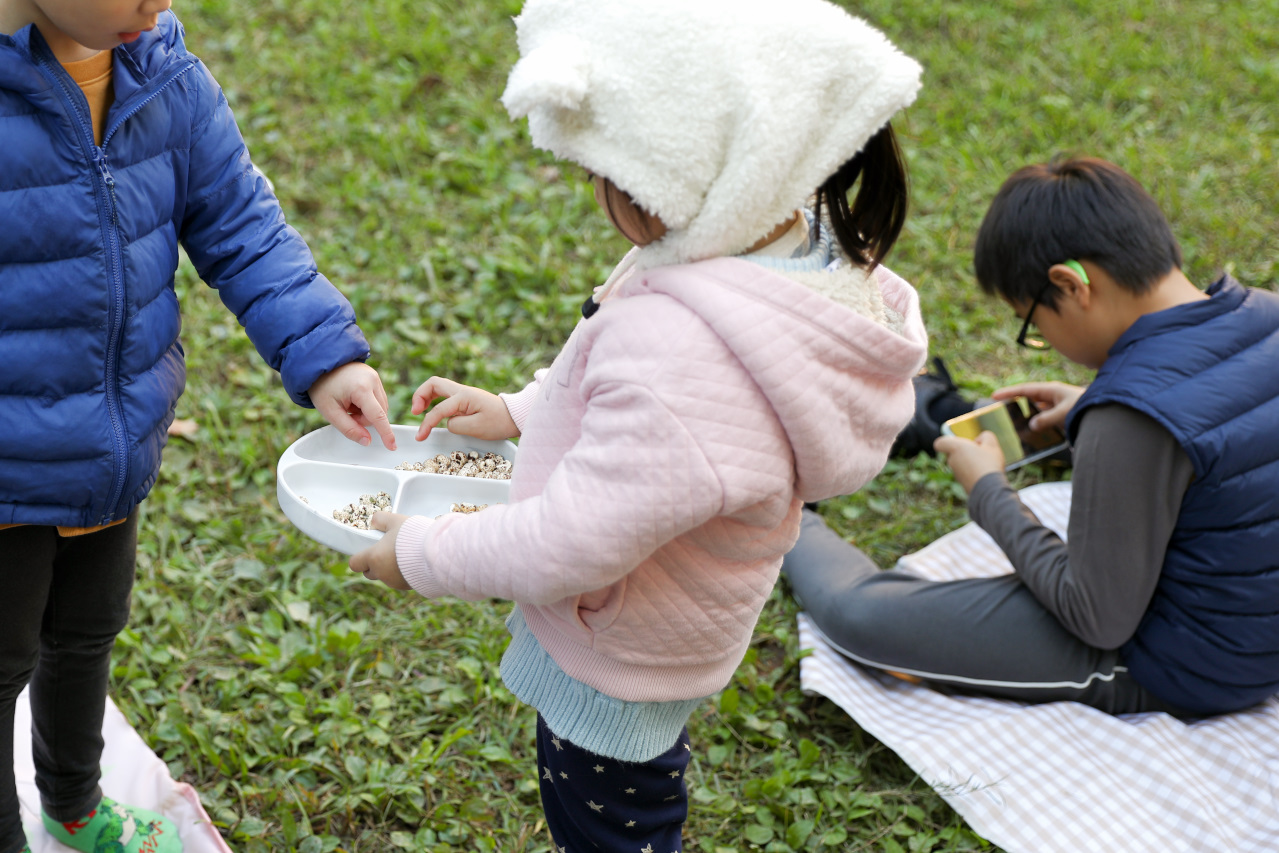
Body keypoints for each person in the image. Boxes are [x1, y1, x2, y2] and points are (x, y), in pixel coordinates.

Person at [348, 0, 928, 847]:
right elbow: (624, 393)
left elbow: (565, 542)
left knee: (610, 820)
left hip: (619, 645)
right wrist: (520, 411)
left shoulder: (682, 357)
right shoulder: (770, 233)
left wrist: (418, 552)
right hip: (670, 617)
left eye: (611, 178)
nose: (596, 194)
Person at [0, 0, 397, 850]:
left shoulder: (161, 74)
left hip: (111, 453)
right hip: (6, 471)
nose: (157, 0)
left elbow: (241, 224)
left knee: (85, 634)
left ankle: (73, 809)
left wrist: (323, 355)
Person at [783, 156, 1279, 719]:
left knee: (862, 617)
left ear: (1069, 285)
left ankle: (784, 513)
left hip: (1192, 667)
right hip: (1255, 631)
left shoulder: (1129, 419)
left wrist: (988, 492)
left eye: (1032, 324)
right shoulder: (1267, 315)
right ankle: (926, 416)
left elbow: (1097, 616)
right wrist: (1088, 414)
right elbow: (1229, 444)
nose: (1041, 338)